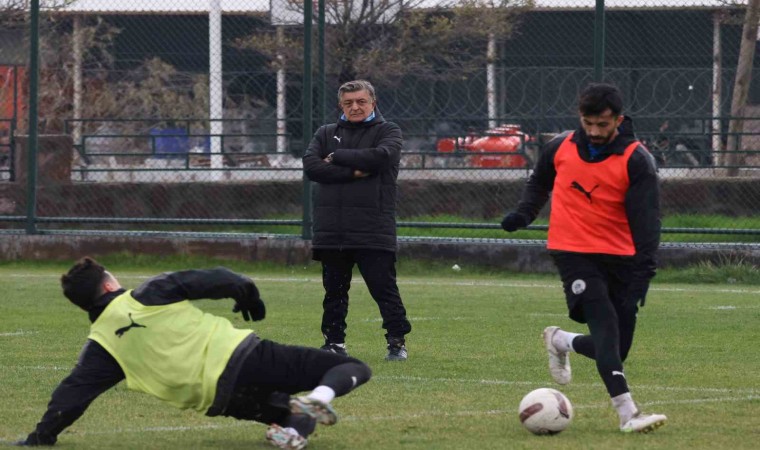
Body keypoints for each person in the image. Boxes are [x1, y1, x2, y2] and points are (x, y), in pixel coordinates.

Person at [16, 257, 371, 449]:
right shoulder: (146, 294)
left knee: (291, 412)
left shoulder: (101, 346)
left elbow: (71, 396)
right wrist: (247, 294)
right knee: (352, 367)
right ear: (109, 284)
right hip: (242, 358)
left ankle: (293, 433)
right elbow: (213, 277)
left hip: (218, 399)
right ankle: (319, 398)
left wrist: (41, 436)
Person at [500, 83, 667, 433]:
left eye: (602, 125)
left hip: (620, 257)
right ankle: (628, 414)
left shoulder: (636, 160)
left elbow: (647, 224)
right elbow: (539, 183)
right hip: (573, 252)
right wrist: (524, 214)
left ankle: (561, 340)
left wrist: (643, 273)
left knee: (617, 348)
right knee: (605, 330)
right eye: (587, 123)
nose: (594, 131)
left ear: (618, 120)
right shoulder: (560, 146)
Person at [303, 79, 412, 361]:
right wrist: (353, 172)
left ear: (373, 103)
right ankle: (334, 343)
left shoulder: (388, 131)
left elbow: (381, 157)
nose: (355, 107)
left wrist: (337, 157)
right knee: (334, 292)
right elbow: (312, 167)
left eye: (361, 102)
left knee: (383, 289)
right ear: (341, 105)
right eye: (349, 103)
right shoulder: (325, 132)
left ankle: (396, 342)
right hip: (332, 229)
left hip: (373, 227)